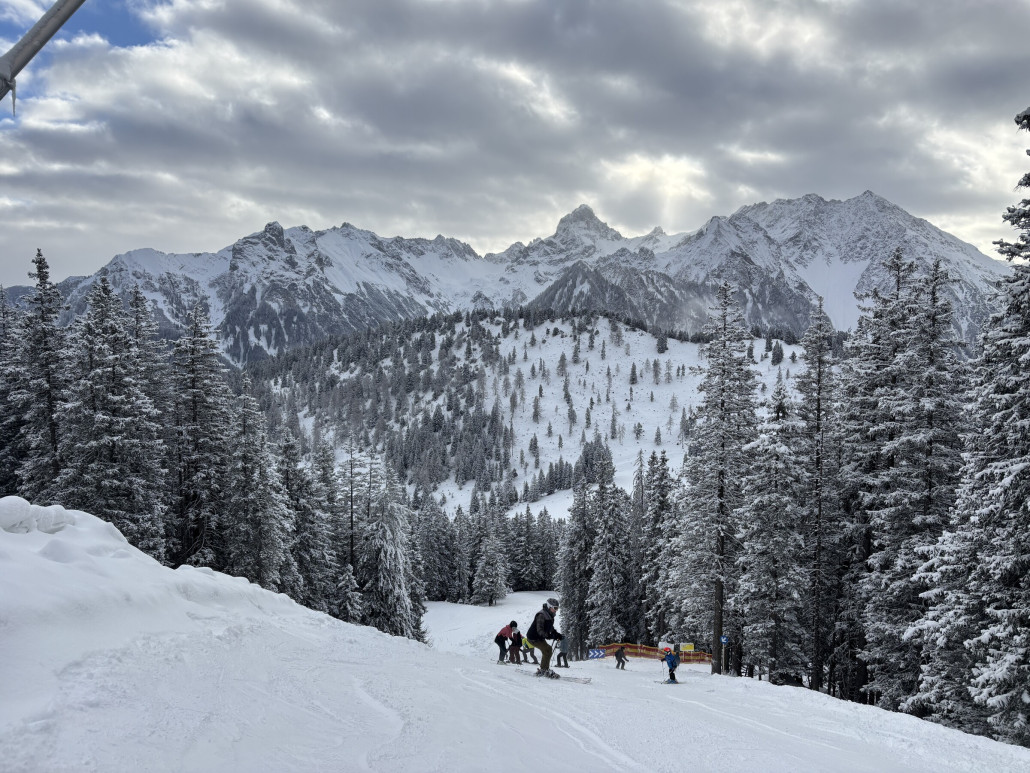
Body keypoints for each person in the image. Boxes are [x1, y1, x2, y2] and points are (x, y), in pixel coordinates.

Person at [527, 598, 563, 678]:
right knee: (547, 649)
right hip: (533, 638)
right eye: (555, 608)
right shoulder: (541, 615)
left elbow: (550, 628)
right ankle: (543, 670)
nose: (556, 610)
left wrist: (556, 634)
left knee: (548, 650)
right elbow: (540, 631)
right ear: (549, 607)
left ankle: (544, 669)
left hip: (539, 638)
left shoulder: (550, 615)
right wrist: (550, 636)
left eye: (557, 608)